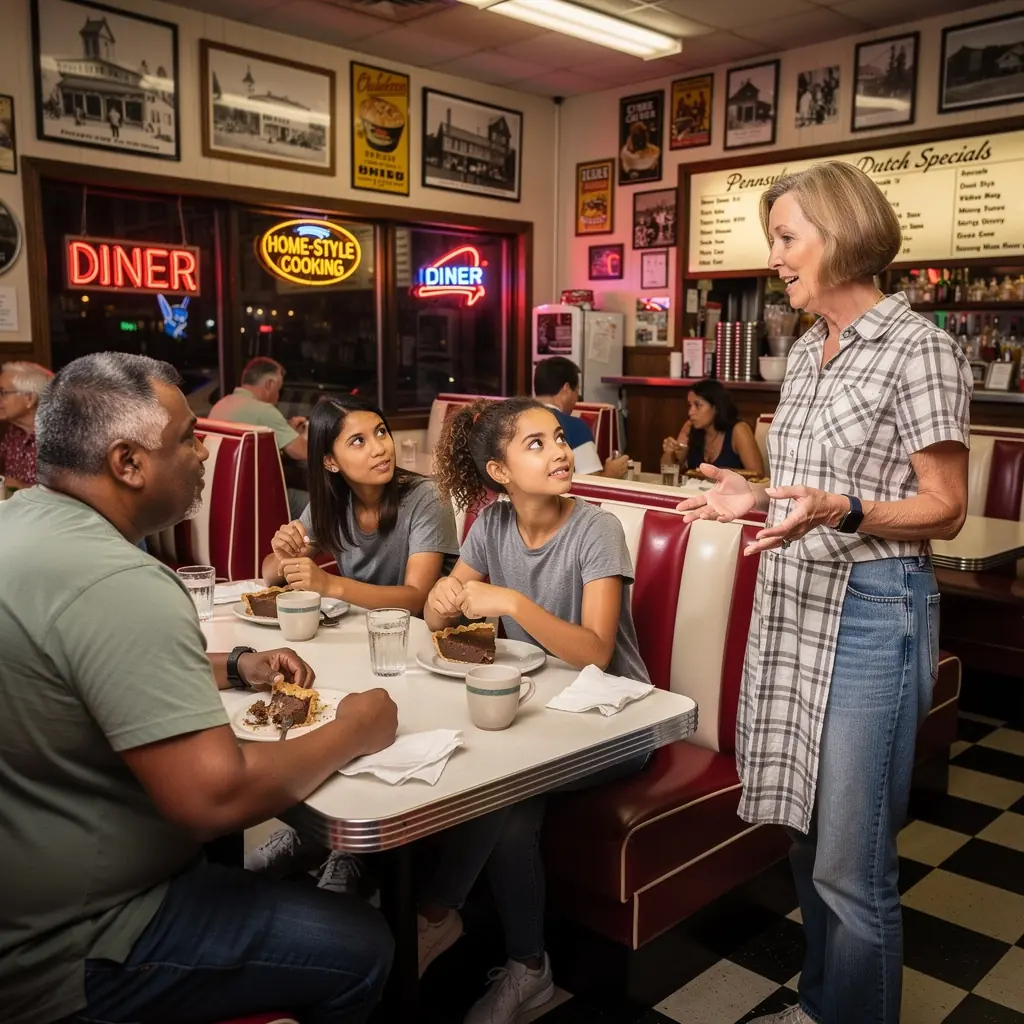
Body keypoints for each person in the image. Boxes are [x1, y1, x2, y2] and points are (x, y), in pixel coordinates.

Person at [0, 352, 398, 1024]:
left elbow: (71, 663)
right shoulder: (117, 580)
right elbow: (217, 794)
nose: (205, 451)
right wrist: (358, 726)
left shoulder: (21, 524)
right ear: (127, 463)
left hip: (31, 881)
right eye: (186, 438)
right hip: (71, 947)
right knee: (363, 944)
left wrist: (234, 663)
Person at [677, 161, 971, 1024]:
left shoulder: (922, 350)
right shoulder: (806, 349)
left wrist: (843, 510)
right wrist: (753, 496)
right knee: (805, 835)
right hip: (795, 602)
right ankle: (822, 1006)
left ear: (840, 234)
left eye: (786, 237)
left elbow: (946, 510)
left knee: (853, 864)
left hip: (873, 613)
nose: (774, 257)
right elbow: (806, 487)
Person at [418, 397, 650, 1024]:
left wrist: (514, 603)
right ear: (499, 472)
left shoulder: (596, 528)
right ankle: (530, 969)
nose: (559, 453)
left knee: (506, 794)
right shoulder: (492, 525)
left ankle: (435, 915)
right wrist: (442, 597)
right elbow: (440, 614)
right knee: (498, 792)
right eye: (536, 445)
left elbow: (597, 651)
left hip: (616, 718)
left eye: (558, 439)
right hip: (539, 714)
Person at [251, 393, 459, 889]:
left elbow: (416, 597)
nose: (379, 448)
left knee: (354, 723)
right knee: (312, 708)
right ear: (330, 460)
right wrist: (281, 555)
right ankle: (319, 837)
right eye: (359, 441)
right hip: (362, 644)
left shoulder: (423, 497)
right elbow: (269, 572)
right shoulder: (333, 503)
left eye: (381, 433)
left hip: (427, 652)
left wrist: (330, 585)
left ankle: (350, 851)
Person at [208, 356, 310, 515]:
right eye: (279, 390)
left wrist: (288, 431)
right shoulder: (264, 411)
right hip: (256, 498)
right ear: (269, 385)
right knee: (320, 507)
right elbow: (302, 453)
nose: (278, 397)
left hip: (222, 493)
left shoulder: (220, 405)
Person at [533, 356, 629, 478]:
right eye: (576, 391)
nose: (577, 399)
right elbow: (590, 484)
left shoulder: (513, 418)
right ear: (566, 389)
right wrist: (610, 474)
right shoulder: (575, 427)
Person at [661, 378, 765, 477]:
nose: (690, 412)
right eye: (690, 405)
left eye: (698, 405)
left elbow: (758, 474)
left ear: (716, 408)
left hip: (732, 493)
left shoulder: (739, 430)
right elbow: (671, 469)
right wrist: (669, 453)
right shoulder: (689, 427)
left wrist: (716, 473)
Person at [0, 360, 53, 489]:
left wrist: (21, 487)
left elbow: (70, 497)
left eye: (3, 393)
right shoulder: (14, 431)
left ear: (30, 398)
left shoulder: (59, 437)